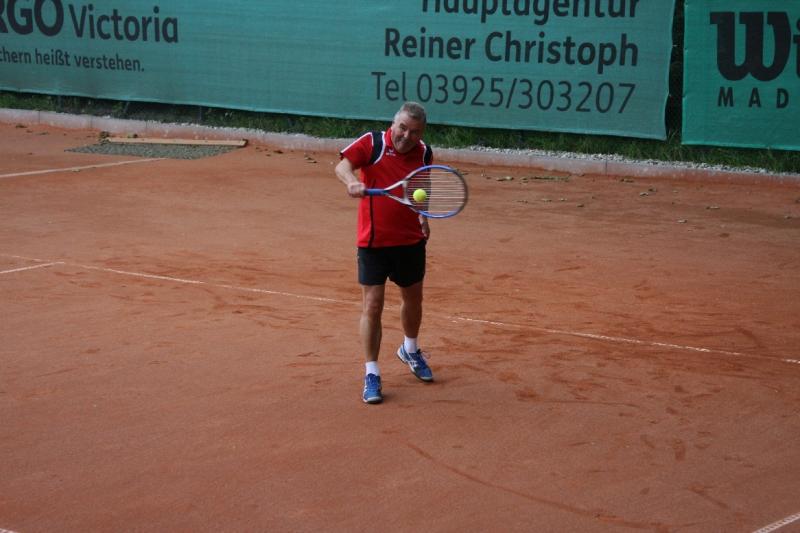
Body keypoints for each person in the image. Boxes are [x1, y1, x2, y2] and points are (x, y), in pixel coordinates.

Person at [335, 101, 435, 404]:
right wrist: (352, 182)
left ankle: (410, 349)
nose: (407, 136)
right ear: (394, 124)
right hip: (373, 242)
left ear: (421, 134)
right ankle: (372, 372)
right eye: (403, 128)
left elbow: (422, 186)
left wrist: (423, 214)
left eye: (414, 132)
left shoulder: (424, 153)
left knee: (413, 300)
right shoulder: (373, 143)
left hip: (409, 241)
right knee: (373, 305)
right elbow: (342, 166)